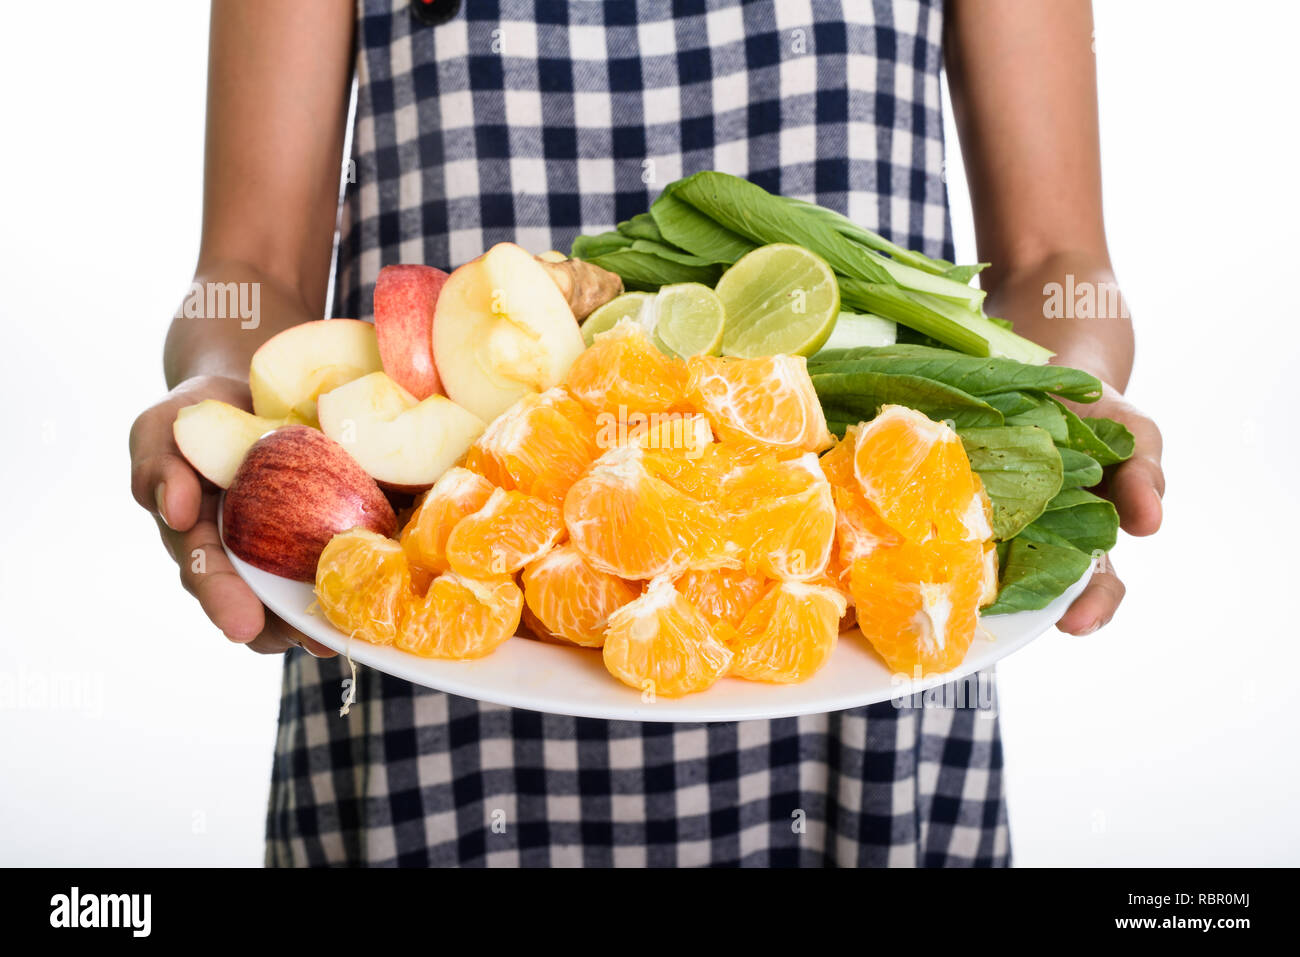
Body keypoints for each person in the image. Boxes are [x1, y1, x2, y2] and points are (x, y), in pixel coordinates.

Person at [129, 0, 1163, 866]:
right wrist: (225, 394)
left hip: (860, 664)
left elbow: (1051, 255)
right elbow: (252, 258)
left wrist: (1066, 396)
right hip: (428, 621)